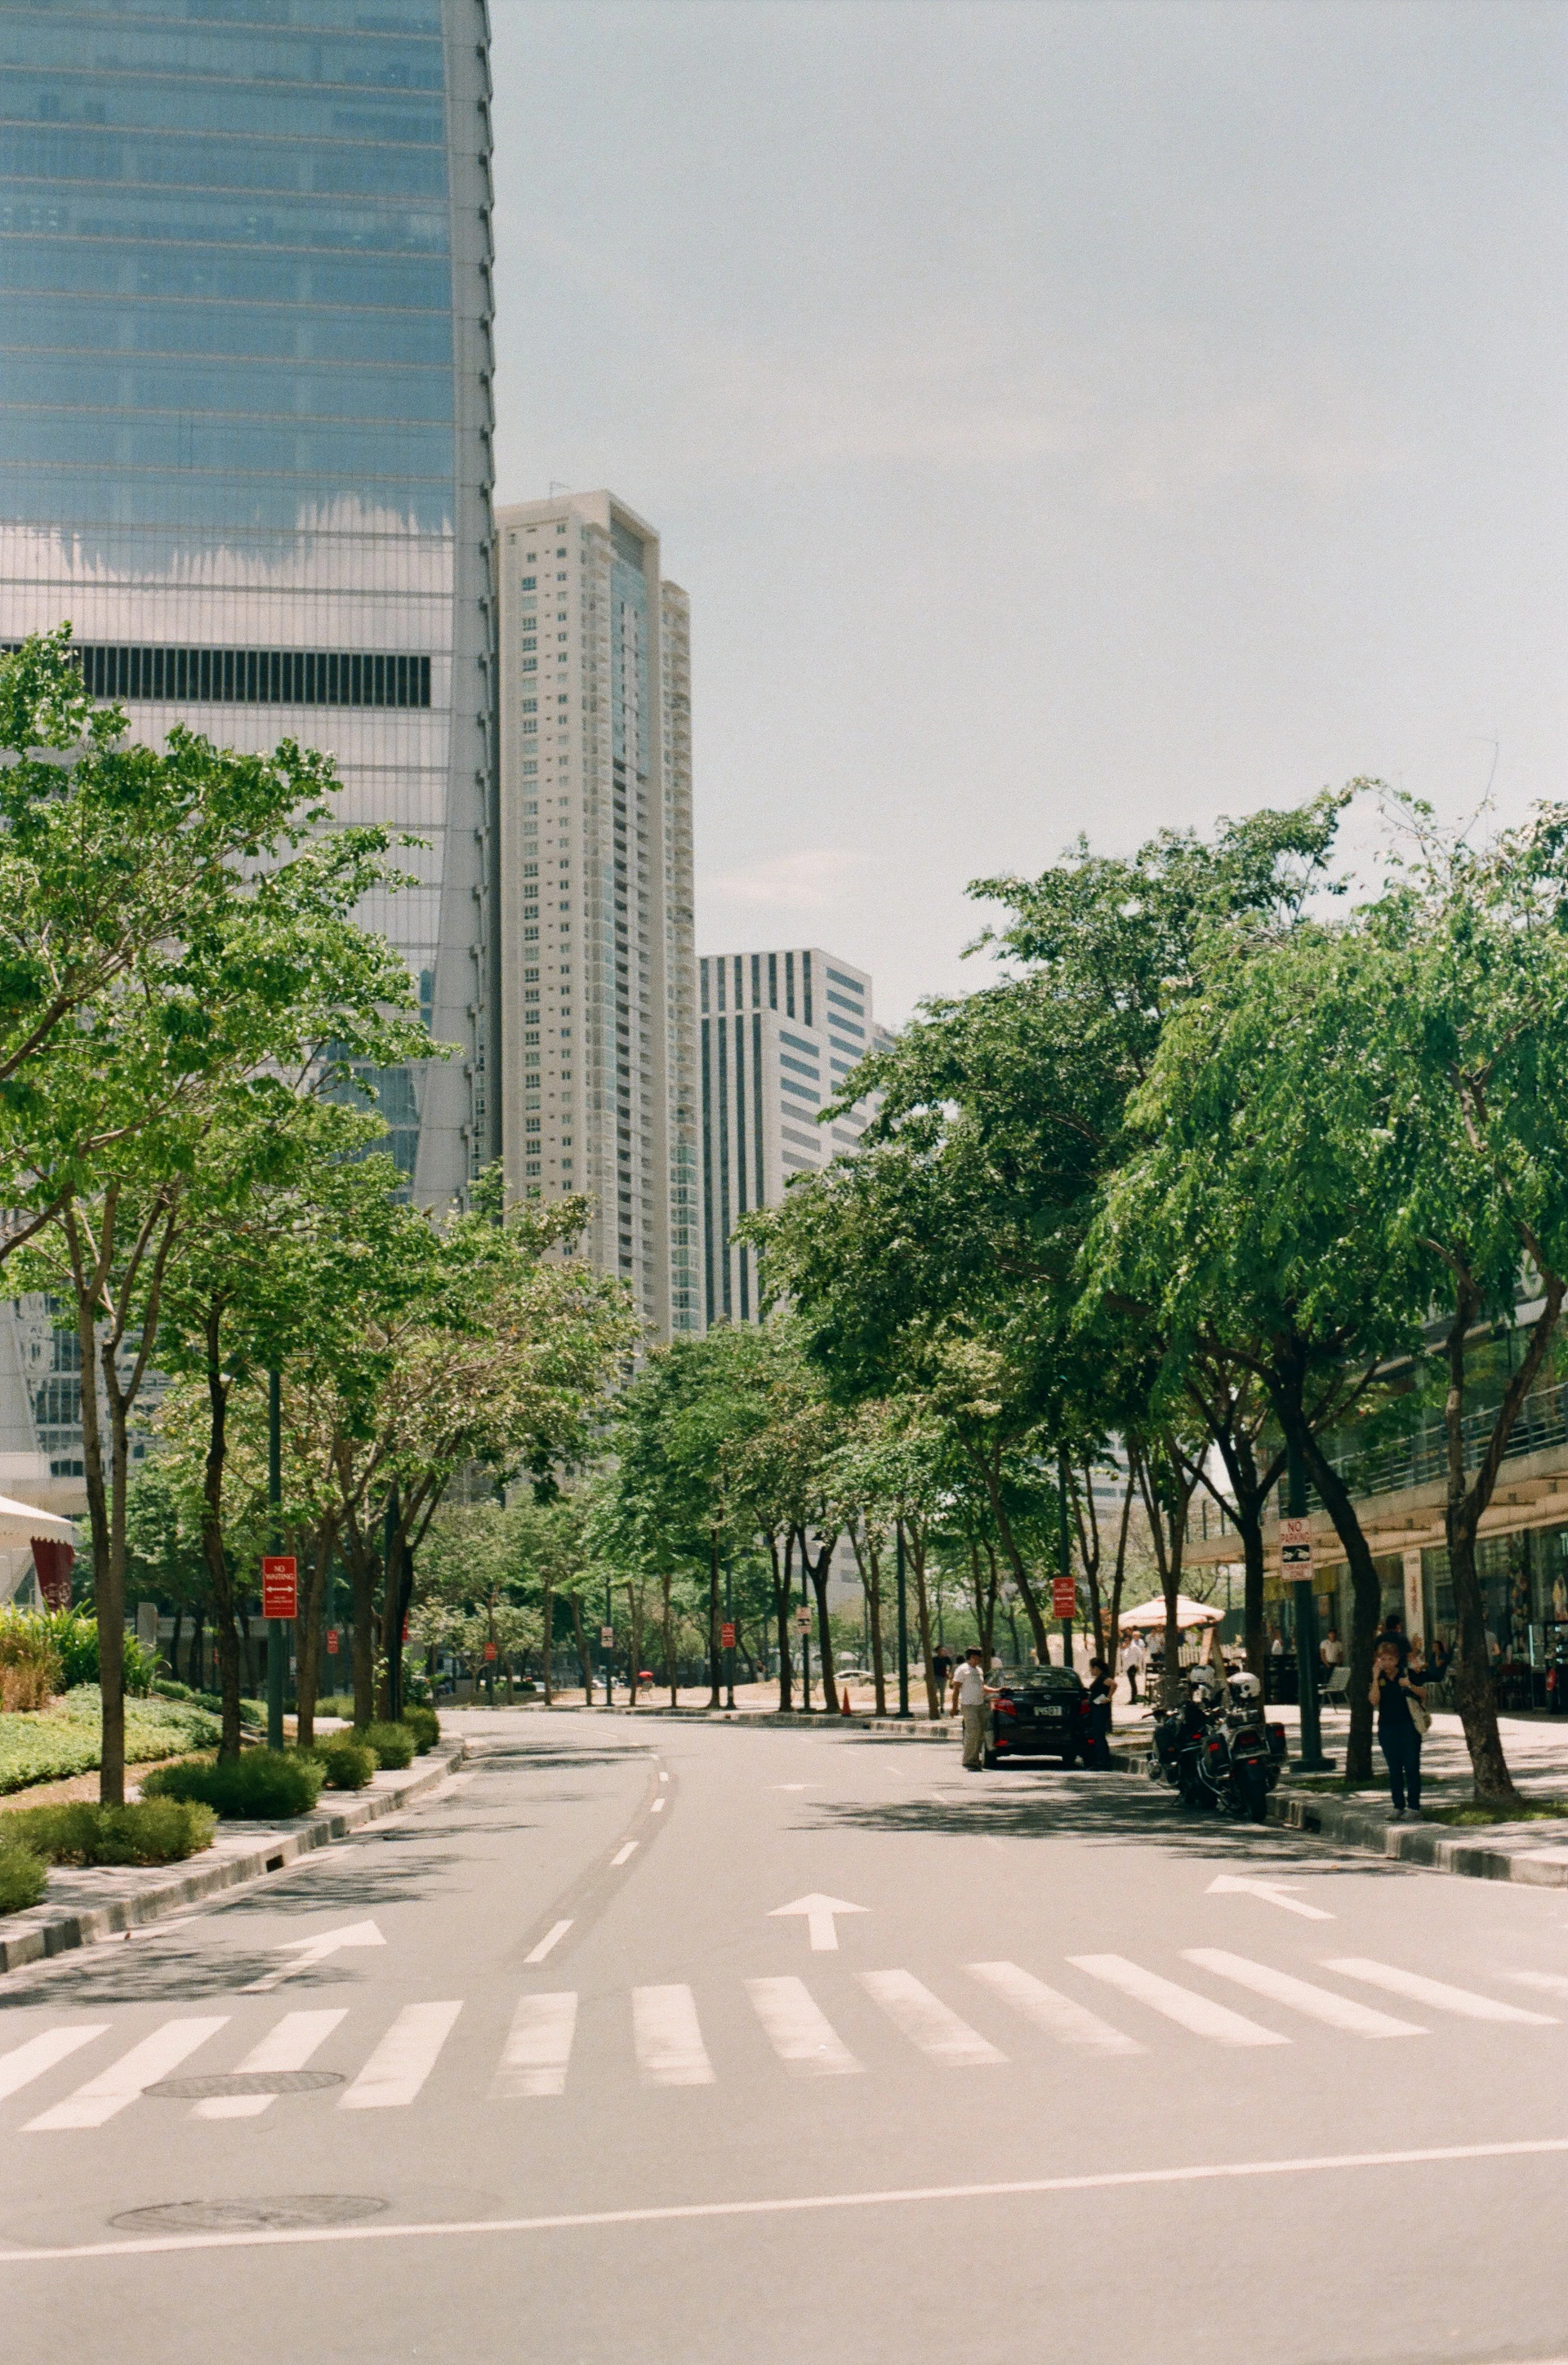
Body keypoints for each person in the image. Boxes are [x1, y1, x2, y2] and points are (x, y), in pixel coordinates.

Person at [1370, 1637, 1426, 1819]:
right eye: (1383, 1659)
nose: (1387, 1663)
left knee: (1411, 1766)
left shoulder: (1405, 1673)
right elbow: (1373, 1700)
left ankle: (1414, 1807)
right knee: (1394, 1769)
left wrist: (1409, 1685)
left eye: (1390, 1659)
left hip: (1407, 1726)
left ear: (1397, 1659)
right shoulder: (1379, 1678)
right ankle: (1398, 1805)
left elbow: (1424, 1694)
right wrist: (1374, 1678)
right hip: (1387, 1727)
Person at [949, 1648, 997, 1771]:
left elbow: (982, 1687)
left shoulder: (978, 1670)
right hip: (968, 1705)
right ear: (969, 1658)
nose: (977, 1661)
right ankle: (968, 1760)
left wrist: (997, 1690)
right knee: (973, 1730)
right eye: (975, 1658)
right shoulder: (962, 1670)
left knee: (980, 1732)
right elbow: (956, 1690)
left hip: (980, 1704)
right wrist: (954, 1707)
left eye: (979, 1658)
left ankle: (975, 1759)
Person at [1084, 1658, 1113, 1767]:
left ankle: (1102, 1761)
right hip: (1096, 1709)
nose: (1091, 1671)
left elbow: (1113, 1684)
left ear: (1096, 1668)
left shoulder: (1103, 1678)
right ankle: (1104, 1760)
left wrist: (1108, 1698)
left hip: (1100, 1711)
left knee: (1099, 1736)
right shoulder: (1099, 1678)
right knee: (1098, 1735)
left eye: (1091, 1668)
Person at [1123, 1633, 1147, 1704]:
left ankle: (1134, 1699)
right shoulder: (1128, 1648)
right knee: (1132, 1683)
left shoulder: (1134, 1647)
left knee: (1133, 1683)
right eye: (1125, 1640)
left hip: (1133, 1666)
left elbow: (1140, 1655)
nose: (1125, 1642)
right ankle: (1133, 1698)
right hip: (1128, 1667)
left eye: (1127, 1640)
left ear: (1130, 1640)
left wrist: (1138, 1664)